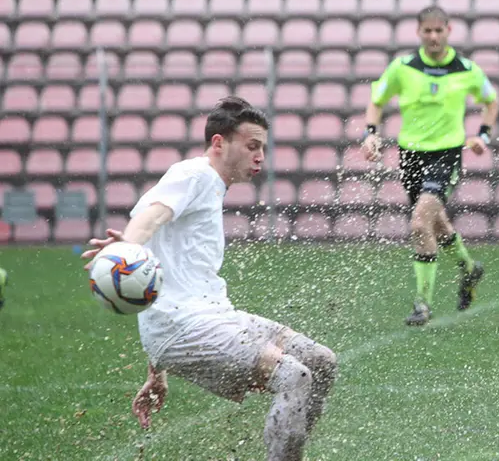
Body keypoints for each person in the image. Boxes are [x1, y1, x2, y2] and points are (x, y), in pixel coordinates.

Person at [81, 97, 338, 461]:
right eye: (252, 146)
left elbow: (163, 269)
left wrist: (158, 371)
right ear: (219, 143)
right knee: (294, 378)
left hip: (207, 317)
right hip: (186, 327)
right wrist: (127, 247)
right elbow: (151, 218)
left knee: (322, 362)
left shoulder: (206, 184)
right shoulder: (195, 174)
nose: (260, 156)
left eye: (262, 147)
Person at [361, 5, 499, 326]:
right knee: (436, 225)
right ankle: (469, 268)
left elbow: (491, 101)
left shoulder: (467, 69)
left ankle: (422, 304)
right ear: (419, 32)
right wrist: (371, 134)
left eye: (439, 31)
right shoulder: (403, 67)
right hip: (410, 155)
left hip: (447, 154)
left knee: (419, 224)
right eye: (428, 31)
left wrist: (483, 135)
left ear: (448, 31)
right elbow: (377, 100)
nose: (434, 36)